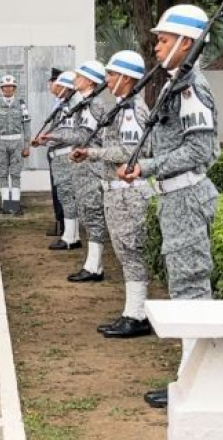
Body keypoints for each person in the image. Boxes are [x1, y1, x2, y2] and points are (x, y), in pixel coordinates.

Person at [117, 3, 221, 409]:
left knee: (191, 290)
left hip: (186, 195)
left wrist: (147, 166)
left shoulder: (193, 87)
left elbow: (200, 149)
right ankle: (190, 377)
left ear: (186, 43)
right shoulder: (175, 84)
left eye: (163, 40)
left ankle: (195, 382)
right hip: (173, 196)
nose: (156, 47)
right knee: (183, 288)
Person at [71, 50, 153, 338]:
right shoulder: (121, 107)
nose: (106, 80)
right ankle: (132, 311)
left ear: (127, 78)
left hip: (128, 193)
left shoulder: (132, 110)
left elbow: (129, 153)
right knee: (125, 253)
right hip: (117, 193)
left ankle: (137, 314)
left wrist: (92, 153)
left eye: (111, 74)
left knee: (132, 253)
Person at [37, 61, 108, 261]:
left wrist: (52, 137)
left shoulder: (91, 104)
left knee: (83, 206)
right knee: (70, 199)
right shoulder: (79, 104)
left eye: (78, 76)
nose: (74, 79)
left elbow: (80, 134)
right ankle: (77, 245)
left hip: (85, 161)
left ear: (88, 80)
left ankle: (76, 243)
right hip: (75, 159)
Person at [0, 74, 31, 215]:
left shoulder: (22, 104)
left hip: (17, 142)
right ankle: (6, 205)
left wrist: (27, 145)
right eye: (5, 87)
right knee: (3, 174)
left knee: (16, 174)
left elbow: (27, 125)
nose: (8, 89)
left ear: (14, 88)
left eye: (10, 86)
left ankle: (15, 205)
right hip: (1, 143)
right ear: (1, 89)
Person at [42, 70, 76, 241]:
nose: (51, 86)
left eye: (54, 82)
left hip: (65, 153)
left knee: (65, 193)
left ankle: (67, 231)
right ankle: (62, 225)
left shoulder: (71, 105)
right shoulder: (60, 103)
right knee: (59, 191)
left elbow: (67, 132)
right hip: (55, 151)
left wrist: (49, 138)